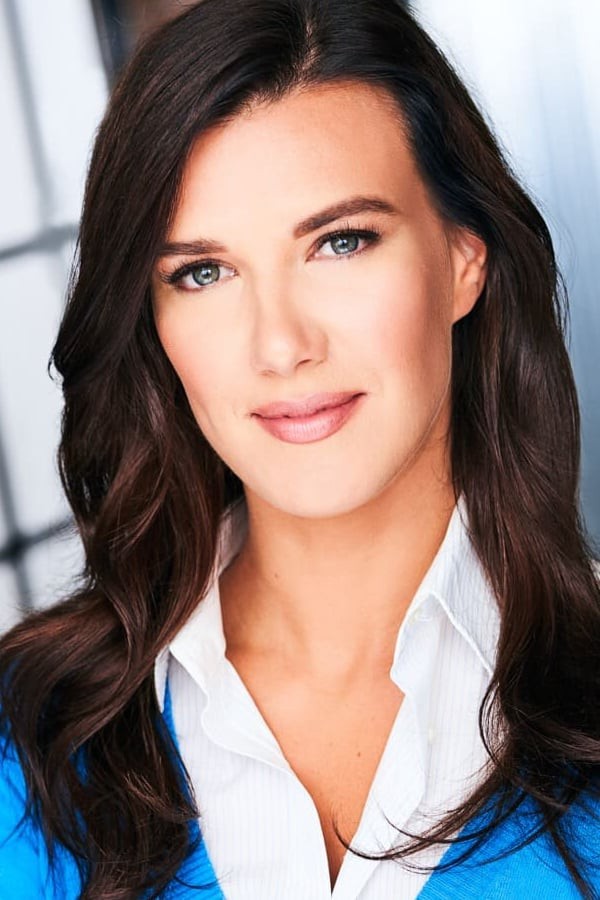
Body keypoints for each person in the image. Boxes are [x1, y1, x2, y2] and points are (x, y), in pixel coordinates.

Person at [1, 0, 599, 897]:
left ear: (463, 257)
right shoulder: (32, 733)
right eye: (203, 273)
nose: (280, 346)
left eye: (340, 241)